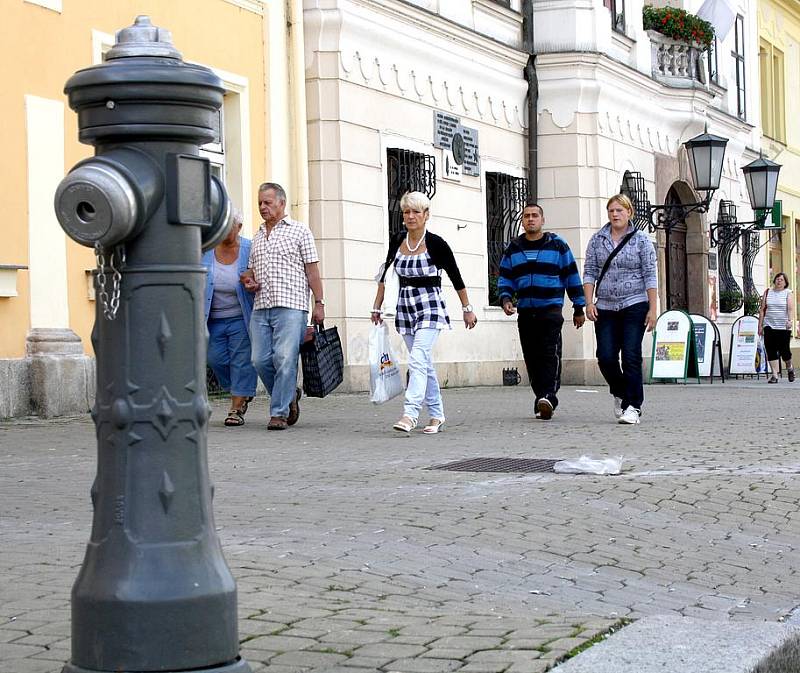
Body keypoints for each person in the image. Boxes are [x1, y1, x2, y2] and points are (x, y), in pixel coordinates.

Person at [371, 191, 477, 434]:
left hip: (430, 306)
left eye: (416, 212)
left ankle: (410, 413)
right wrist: (376, 307)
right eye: (406, 212)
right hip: (405, 307)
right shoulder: (398, 240)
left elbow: (455, 276)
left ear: (426, 215)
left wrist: (467, 309)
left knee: (417, 358)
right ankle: (437, 415)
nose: (410, 216)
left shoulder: (436, 243)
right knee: (424, 363)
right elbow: (385, 276)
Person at [241, 183, 325, 430]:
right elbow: (251, 270)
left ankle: (278, 413)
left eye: (267, 202)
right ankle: (289, 395)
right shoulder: (256, 236)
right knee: (259, 359)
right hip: (261, 306)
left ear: (281, 202)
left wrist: (318, 303)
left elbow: (313, 271)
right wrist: (248, 280)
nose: (262, 207)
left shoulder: (300, 231)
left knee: (285, 358)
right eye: (259, 203)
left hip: (292, 305)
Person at [497, 202, 586, 420]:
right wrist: (506, 298)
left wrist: (578, 307)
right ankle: (541, 398)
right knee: (531, 357)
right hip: (526, 312)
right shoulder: (514, 248)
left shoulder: (557, 245)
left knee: (549, 355)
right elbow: (505, 276)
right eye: (526, 216)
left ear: (542, 220)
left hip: (550, 310)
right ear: (522, 221)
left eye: (535, 215)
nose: (530, 219)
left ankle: (549, 396)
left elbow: (571, 275)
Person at [583, 194, 657, 425]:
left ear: (629, 213)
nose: (615, 215)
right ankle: (620, 391)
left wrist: (653, 309)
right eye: (611, 211)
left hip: (634, 303)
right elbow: (589, 272)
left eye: (619, 210)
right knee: (605, 356)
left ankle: (633, 406)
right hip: (605, 305)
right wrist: (589, 302)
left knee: (631, 355)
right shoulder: (598, 240)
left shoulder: (642, 240)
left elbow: (650, 275)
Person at [203, 209, 258, 426]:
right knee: (215, 359)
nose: (224, 231)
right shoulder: (205, 249)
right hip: (212, 317)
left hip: (240, 316)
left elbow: (260, 274)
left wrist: (253, 283)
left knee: (241, 361)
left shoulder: (250, 249)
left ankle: (236, 408)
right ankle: (242, 390)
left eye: (229, 226)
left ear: (239, 227)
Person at [758, 272, 796, 383]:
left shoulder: (788, 293)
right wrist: (760, 325)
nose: (779, 281)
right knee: (771, 349)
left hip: (783, 326)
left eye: (782, 280)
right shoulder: (768, 292)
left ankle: (790, 368)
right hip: (768, 324)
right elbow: (762, 309)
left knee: (785, 352)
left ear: (785, 283)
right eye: (777, 279)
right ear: (774, 280)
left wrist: (790, 320)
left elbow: (790, 308)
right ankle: (774, 375)